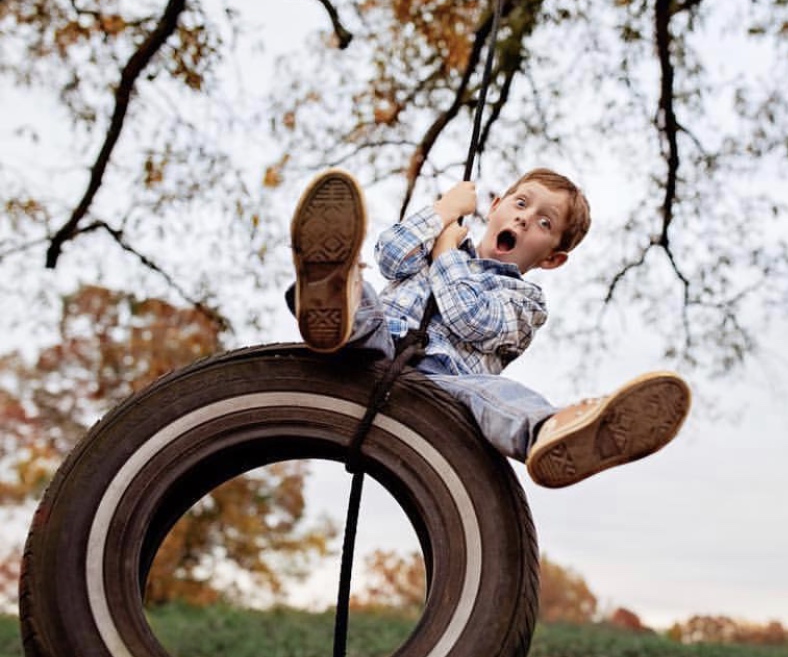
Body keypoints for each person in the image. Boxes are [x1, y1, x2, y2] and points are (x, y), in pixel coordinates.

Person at [287, 167, 691, 488]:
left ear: (552, 259)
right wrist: (442, 211)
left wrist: (446, 256)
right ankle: (331, 291)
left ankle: (556, 432)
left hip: (442, 388)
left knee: (495, 395)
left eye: (544, 223)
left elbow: (471, 319)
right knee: (366, 301)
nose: (525, 218)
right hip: (375, 348)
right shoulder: (436, 239)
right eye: (521, 203)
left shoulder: (525, 302)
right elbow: (390, 256)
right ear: (495, 207)